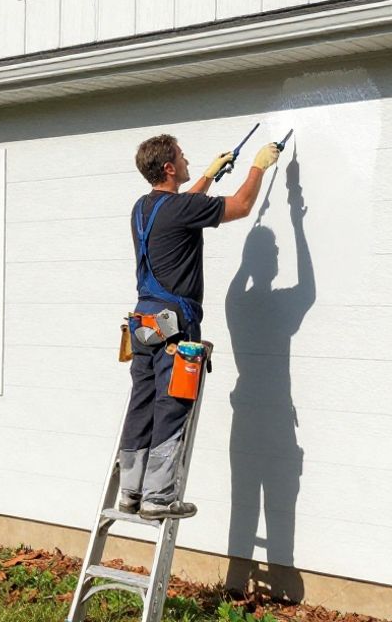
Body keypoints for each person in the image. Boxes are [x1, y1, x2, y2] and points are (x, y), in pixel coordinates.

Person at [119, 133, 279, 519]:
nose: (189, 159)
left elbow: (179, 206)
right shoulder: (179, 209)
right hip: (175, 327)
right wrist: (258, 165)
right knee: (172, 405)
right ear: (170, 167)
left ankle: (130, 492)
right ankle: (158, 499)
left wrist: (208, 174)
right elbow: (241, 206)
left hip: (143, 326)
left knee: (142, 405)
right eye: (183, 156)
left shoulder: (143, 208)